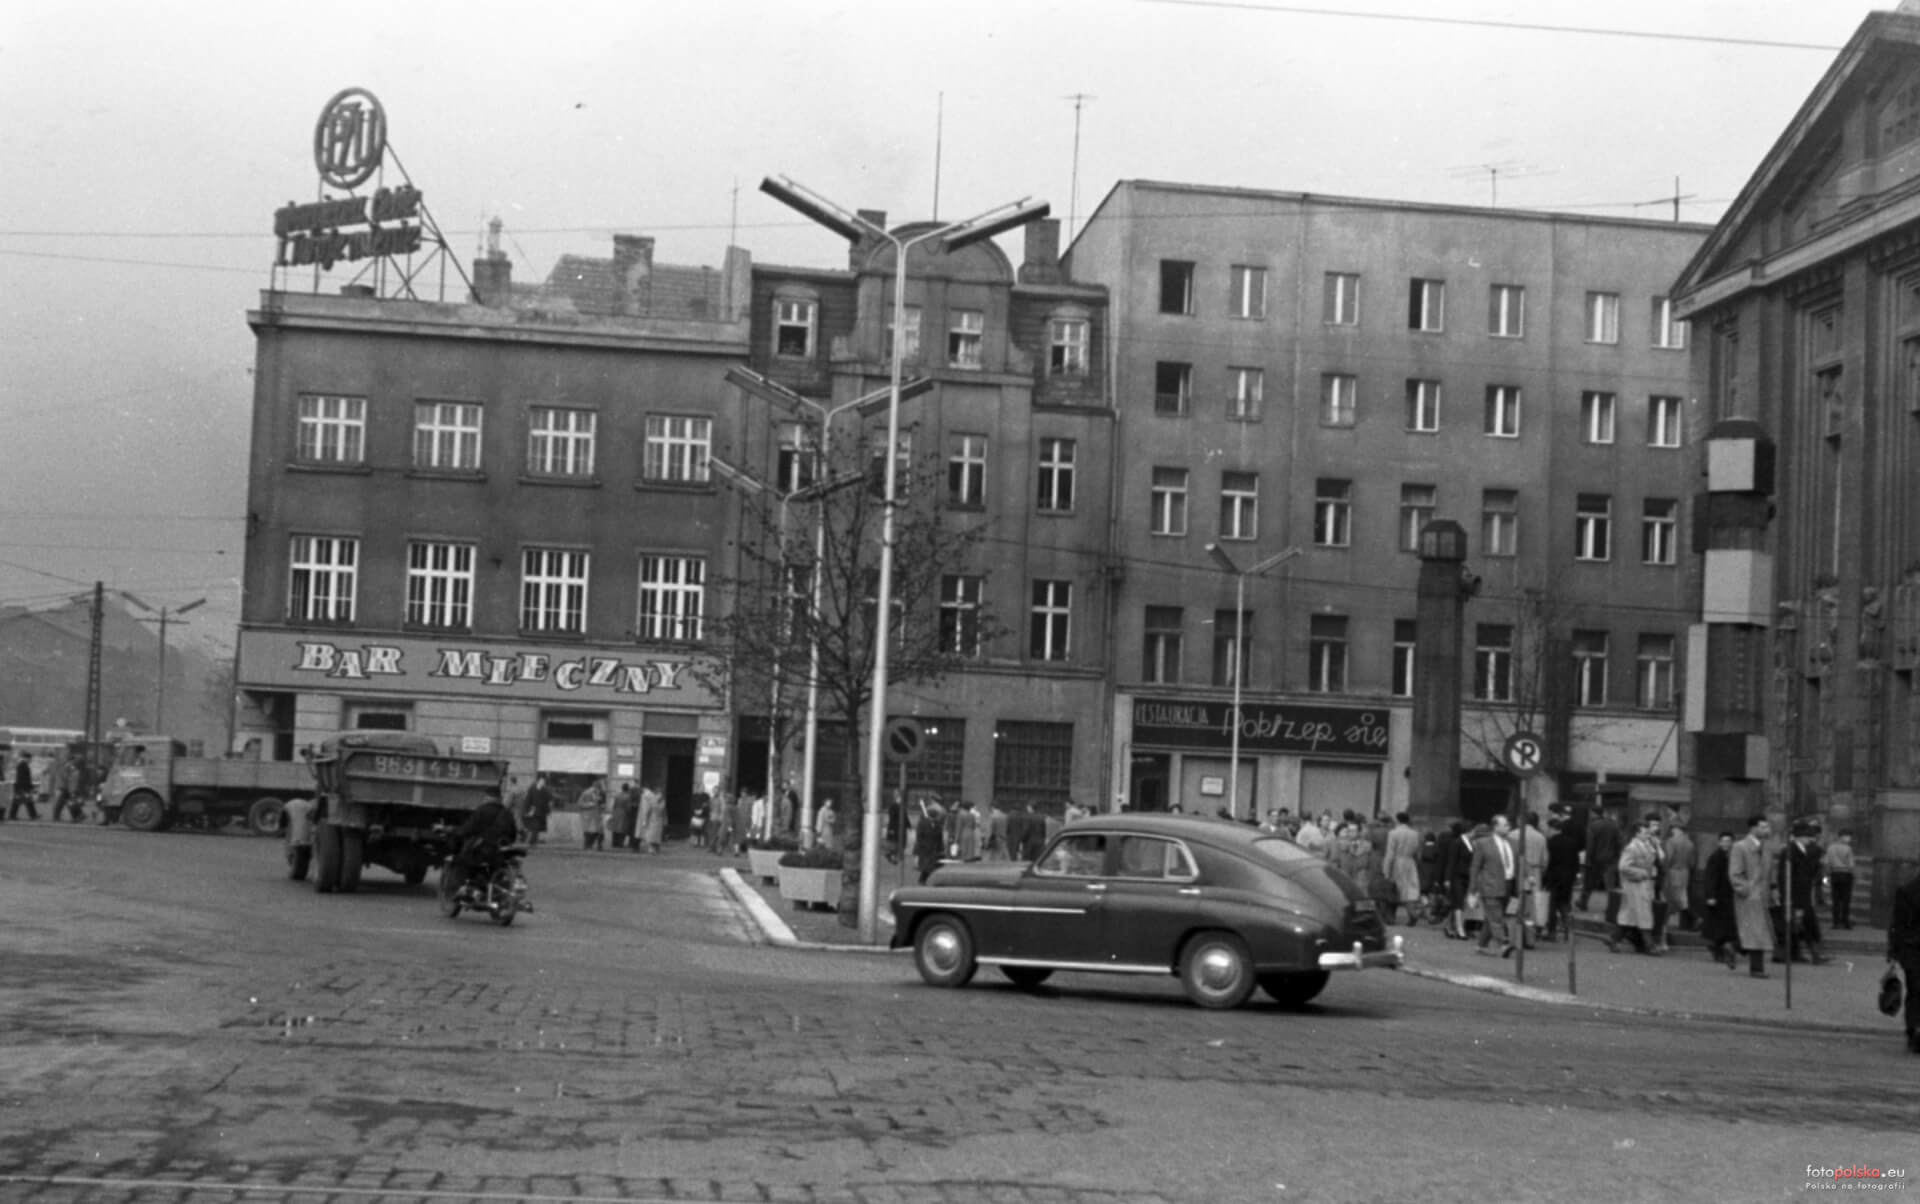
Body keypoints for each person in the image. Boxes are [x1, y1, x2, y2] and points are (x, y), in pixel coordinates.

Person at [1775, 821, 1831, 965]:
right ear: (1799, 837)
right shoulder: (1790, 851)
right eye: (1807, 837)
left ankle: (1809, 953)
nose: (1810, 840)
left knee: (1806, 925)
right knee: (1799, 925)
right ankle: (1805, 954)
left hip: (1803, 893)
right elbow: (1784, 876)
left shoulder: (1804, 851)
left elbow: (1811, 872)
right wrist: (1786, 896)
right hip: (1794, 895)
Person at [1729, 815, 1776, 979]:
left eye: (1767, 827)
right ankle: (1757, 968)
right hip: (1749, 895)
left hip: (1762, 895)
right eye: (1762, 827)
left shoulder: (1766, 848)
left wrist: (1773, 890)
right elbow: (1735, 873)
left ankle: (1734, 947)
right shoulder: (1740, 847)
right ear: (1753, 828)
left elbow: (1771, 872)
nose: (1766, 830)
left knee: (1758, 931)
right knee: (1756, 932)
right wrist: (1745, 890)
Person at [445, 797, 522, 895]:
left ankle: (459, 890)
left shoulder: (482, 810)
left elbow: (468, 828)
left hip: (485, 850)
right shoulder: (507, 813)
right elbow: (513, 834)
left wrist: (455, 831)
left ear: (487, 798)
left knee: (462, 860)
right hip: (501, 852)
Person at [1611, 816, 1662, 955]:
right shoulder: (1632, 848)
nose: (1648, 835)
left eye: (1647, 832)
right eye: (1645, 832)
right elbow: (1623, 867)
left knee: (1630, 916)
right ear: (1637, 834)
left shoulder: (1648, 845)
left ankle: (1616, 939)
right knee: (1641, 916)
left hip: (1643, 886)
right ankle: (1649, 945)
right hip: (1634, 886)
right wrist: (1642, 873)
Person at [1467, 817, 1516, 956]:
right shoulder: (1483, 844)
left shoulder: (1513, 843)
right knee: (1496, 916)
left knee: (1491, 917)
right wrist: (1472, 889)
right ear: (1495, 827)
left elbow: (1518, 862)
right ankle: (1504, 943)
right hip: (1490, 885)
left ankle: (1481, 944)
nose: (1508, 827)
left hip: (1507, 885)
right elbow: (1475, 867)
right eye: (1505, 824)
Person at [1887, 865, 1920, 1054]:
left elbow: (1896, 924)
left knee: (1915, 991)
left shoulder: (1906, 890)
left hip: (1910, 950)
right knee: (1916, 990)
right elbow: (1897, 924)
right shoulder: (1907, 891)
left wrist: (1893, 951)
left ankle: (1913, 1031)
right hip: (1913, 950)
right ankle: (1914, 1031)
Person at [1700, 831, 1739, 967]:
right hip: (1718, 896)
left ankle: (1721, 949)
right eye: (1723, 841)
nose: (1726, 844)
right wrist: (1710, 895)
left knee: (1725, 926)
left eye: (1728, 841)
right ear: (1719, 842)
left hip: (1729, 896)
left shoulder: (1733, 856)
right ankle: (1718, 950)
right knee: (1718, 926)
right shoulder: (1715, 857)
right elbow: (1710, 877)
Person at [1579, 804, 1622, 914]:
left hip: (1595, 860)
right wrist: (1617, 857)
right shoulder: (1613, 825)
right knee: (1610, 886)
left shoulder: (1593, 826)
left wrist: (1588, 860)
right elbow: (1619, 843)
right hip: (1610, 860)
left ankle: (1583, 903)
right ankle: (1611, 908)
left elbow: (1590, 845)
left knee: (1588, 883)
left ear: (1593, 813)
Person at [1382, 812, 1423, 926]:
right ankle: (1412, 914)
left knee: (1394, 889)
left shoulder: (1393, 833)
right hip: (1410, 862)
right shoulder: (1415, 834)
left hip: (1397, 862)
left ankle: (1391, 917)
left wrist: (1386, 869)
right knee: (1410, 891)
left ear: (1398, 820)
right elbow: (1419, 853)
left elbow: (1390, 853)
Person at [1441, 821, 1474, 940]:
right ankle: (1460, 929)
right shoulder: (1457, 843)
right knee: (1459, 902)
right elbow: (1451, 861)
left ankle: (1448, 925)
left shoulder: (1470, 843)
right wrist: (1447, 878)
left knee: (1457, 903)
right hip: (1456, 876)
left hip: (1466, 876)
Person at [1663, 817, 1695, 935]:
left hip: (1673, 872)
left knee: (1674, 898)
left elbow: (1669, 858)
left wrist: (1665, 869)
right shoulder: (1690, 843)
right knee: (1682, 895)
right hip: (1685, 873)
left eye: (1673, 828)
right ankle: (1693, 918)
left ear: (1677, 829)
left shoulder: (1671, 841)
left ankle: (1694, 917)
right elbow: (1692, 862)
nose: (1672, 830)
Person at [1827, 829, 1857, 930]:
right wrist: (1854, 875)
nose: (1849, 839)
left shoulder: (1831, 847)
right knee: (1845, 900)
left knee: (1835, 900)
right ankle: (1845, 922)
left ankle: (1835, 922)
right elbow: (1851, 865)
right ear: (1841, 837)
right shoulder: (1848, 849)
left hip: (1834, 874)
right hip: (1846, 874)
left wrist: (1828, 874)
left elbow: (1827, 862)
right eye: (1848, 836)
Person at [913, 801, 947, 884]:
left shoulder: (938, 825)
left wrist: (941, 848)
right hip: (925, 848)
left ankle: (925, 880)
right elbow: (919, 837)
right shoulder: (923, 824)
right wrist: (919, 848)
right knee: (927, 866)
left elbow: (939, 837)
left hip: (934, 849)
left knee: (935, 866)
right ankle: (922, 880)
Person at [523, 775, 551, 847]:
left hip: (541, 812)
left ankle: (533, 842)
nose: (542, 783)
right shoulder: (532, 788)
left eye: (544, 782)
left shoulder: (545, 790)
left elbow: (547, 801)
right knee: (535, 827)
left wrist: (548, 811)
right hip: (534, 811)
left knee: (536, 827)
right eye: (541, 781)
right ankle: (532, 842)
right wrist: (526, 809)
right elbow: (528, 800)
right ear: (538, 781)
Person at [578, 778, 607, 850]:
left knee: (599, 831)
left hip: (597, 815)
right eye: (601, 786)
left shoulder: (599, 793)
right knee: (590, 832)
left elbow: (601, 803)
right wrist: (590, 804)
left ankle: (598, 846)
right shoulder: (586, 793)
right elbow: (580, 803)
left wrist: (602, 806)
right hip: (589, 816)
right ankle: (587, 845)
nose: (602, 788)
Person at [611, 781, 639, 850]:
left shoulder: (617, 795)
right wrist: (630, 813)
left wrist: (613, 812)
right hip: (624, 814)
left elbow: (614, 805)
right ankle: (620, 844)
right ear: (628, 789)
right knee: (622, 829)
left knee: (615, 829)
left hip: (616, 812)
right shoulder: (628, 796)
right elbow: (628, 807)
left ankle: (614, 843)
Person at [639, 783, 666, 854]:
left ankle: (653, 848)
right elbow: (650, 809)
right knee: (654, 834)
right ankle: (653, 847)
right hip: (655, 819)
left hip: (656, 819)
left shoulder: (657, 800)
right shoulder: (657, 800)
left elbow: (650, 809)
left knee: (654, 834)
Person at [9, 755, 38, 821]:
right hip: (22, 787)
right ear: (26, 758)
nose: (31, 761)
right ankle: (33, 815)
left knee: (27, 801)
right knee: (20, 802)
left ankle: (33, 815)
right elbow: (23, 778)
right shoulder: (22, 766)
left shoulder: (22, 765)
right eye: (30, 759)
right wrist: (28, 787)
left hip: (21, 787)